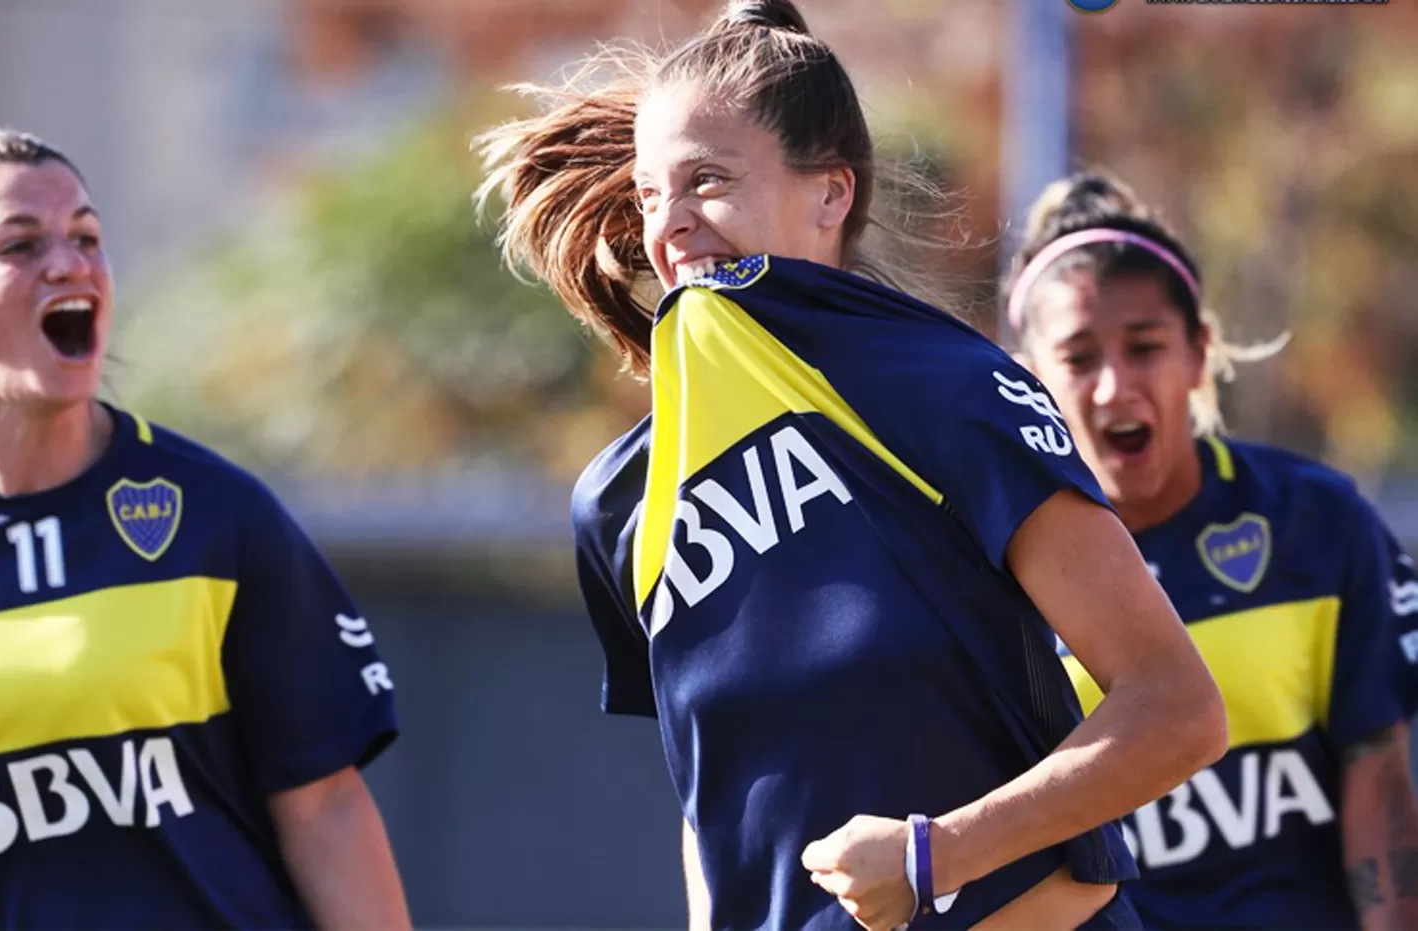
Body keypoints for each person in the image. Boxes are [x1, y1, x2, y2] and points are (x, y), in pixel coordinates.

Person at [477, 2, 1228, 928]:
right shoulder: (619, 502)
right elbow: (714, 806)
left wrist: (935, 855)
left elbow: (1177, 708)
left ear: (832, 194)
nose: (669, 225)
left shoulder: (944, 387)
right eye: (647, 194)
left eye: (706, 180)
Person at [0, 123, 410, 929]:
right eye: (19, 244)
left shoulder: (217, 514)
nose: (70, 263)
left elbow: (325, 807)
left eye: (86, 236)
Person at [1006, 171, 1418, 930]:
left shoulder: (1318, 521)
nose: (1113, 387)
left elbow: (1377, 771)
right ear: (1031, 383)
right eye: (1079, 357)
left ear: (1198, 354)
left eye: (1145, 347)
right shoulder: (997, 572)